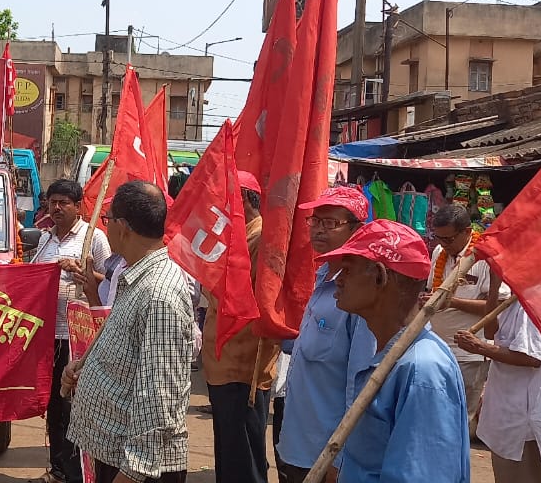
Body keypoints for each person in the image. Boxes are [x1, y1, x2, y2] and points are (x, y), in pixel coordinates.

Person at [319, 219, 471, 483]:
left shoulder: (422, 370)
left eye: (347, 270)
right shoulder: (389, 357)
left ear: (379, 276)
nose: (338, 280)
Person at [65, 181, 193, 483]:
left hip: (137, 469)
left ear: (122, 227)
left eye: (107, 220)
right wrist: (84, 370)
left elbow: (159, 398)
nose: (105, 227)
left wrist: (132, 472)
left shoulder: (159, 295)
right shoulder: (135, 277)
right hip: (115, 456)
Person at [275, 186, 376, 483]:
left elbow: (361, 384)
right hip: (296, 444)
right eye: (315, 221)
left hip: (325, 456)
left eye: (330, 223)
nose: (318, 229)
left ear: (357, 229)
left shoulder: (358, 295)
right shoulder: (322, 277)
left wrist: (341, 459)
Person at [200, 170, 279, 483]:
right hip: (224, 365)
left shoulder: (259, 238)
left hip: (244, 369)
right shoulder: (237, 236)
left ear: (242, 199)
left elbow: (239, 298)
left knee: (243, 459)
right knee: (230, 454)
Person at [30, 179, 111, 483]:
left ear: (78, 207)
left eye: (64, 202)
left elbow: (111, 280)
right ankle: (58, 469)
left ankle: (76, 471)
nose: (57, 208)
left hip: (78, 337)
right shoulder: (44, 240)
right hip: (48, 334)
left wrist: (82, 271)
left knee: (71, 405)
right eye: (53, 202)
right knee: (52, 402)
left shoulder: (95, 238)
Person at [455, 297, 541, 483]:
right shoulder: (513, 299)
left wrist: (479, 347)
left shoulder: (531, 303)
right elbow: (491, 330)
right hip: (510, 408)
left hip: (523, 413)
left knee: (521, 475)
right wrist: (494, 286)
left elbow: (532, 358)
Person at [427, 204, 507, 437]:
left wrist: (451, 302)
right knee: (435, 419)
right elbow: (435, 291)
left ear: (466, 232)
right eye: (438, 238)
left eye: (449, 238)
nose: (443, 244)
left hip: (468, 354)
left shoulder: (487, 258)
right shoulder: (438, 253)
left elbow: (497, 308)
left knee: (458, 422)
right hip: (438, 347)